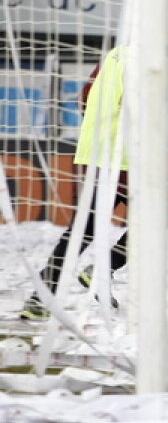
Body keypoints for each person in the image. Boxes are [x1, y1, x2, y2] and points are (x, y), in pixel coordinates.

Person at [22, 48, 130, 321]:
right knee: (157, 219)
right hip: (127, 158)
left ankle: (40, 299)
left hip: (98, 154)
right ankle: (103, 269)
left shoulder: (114, 55)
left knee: (84, 229)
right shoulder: (147, 58)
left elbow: (84, 96)